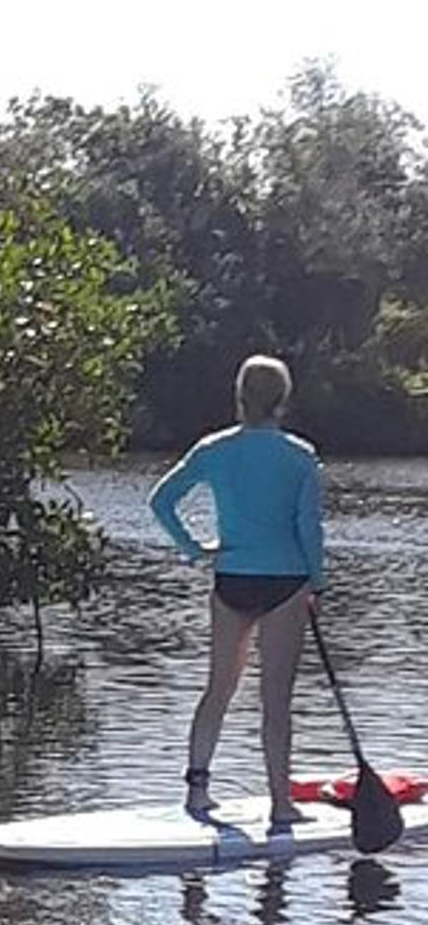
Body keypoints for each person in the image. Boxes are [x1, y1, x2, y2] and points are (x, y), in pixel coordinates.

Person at [148, 354, 323, 832]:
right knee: (275, 700)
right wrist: (318, 582)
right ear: (282, 401)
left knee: (218, 689)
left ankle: (198, 793)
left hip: (232, 577)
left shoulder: (213, 449)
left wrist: (195, 550)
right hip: (286, 582)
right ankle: (281, 805)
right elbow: (309, 529)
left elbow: (161, 501)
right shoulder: (301, 457)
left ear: (240, 396)